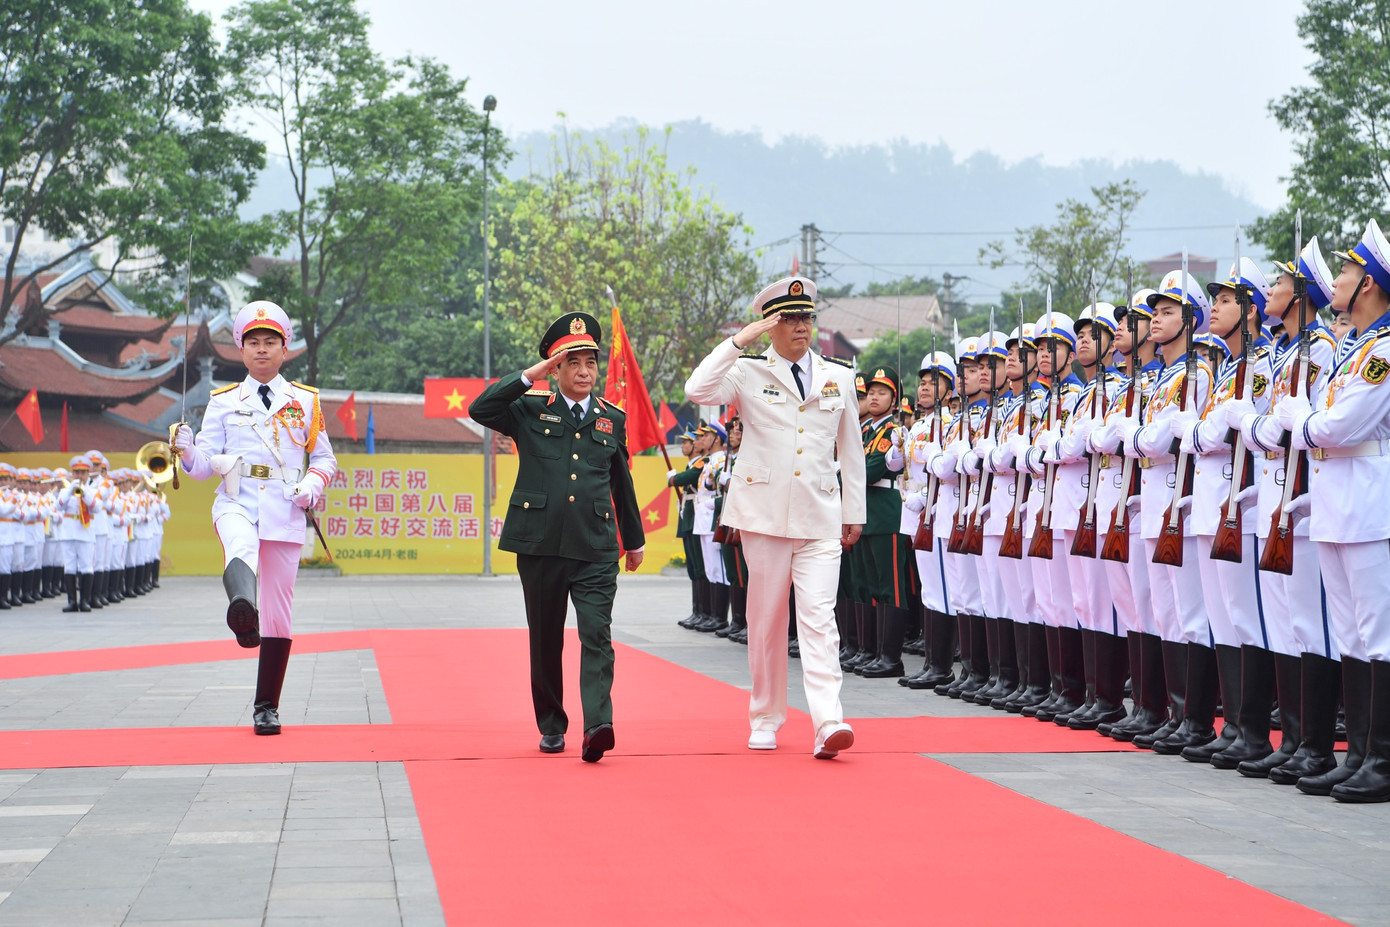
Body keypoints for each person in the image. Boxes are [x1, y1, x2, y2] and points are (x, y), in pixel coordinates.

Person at [685, 275, 865, 759]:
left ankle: (828, 720)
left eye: (806, 317)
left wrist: (855, 512)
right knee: (765, 620)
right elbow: (697, 389)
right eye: (789, 319)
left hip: (821, 514)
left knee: (819, 618)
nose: (801, 327)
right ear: (771, 326)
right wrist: (739, 340)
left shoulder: (840, 376)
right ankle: (765, 716)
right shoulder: (747, 372)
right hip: (763, 516)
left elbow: (850, 450)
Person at [470, 312, 645, 763]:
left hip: (596, 545)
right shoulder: (529, 409)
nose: (585, 372)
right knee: (546, 638)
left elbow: (621, 481)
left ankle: (597, 725)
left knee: (597, 635)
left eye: (590, 363)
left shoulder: (611, 419)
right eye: (573, 363)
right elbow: (479, 409)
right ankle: (551, 723)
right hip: (540, 545)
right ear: (557, 368)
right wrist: (532, 376)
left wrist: (634, 539)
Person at [174, 300, 337, 736]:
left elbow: (324, 459)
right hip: (235, 499)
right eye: (253, 343)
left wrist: (312, 486)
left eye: (270, 342)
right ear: (241, 351)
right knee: (239, 545)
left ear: (285, 350)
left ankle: (267, 706)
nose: (262, 350)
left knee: (281, 611)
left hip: (285, 507)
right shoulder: (223, 402)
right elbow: (206, 464)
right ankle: (242, 609)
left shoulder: (305, 401)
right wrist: (188, 451)